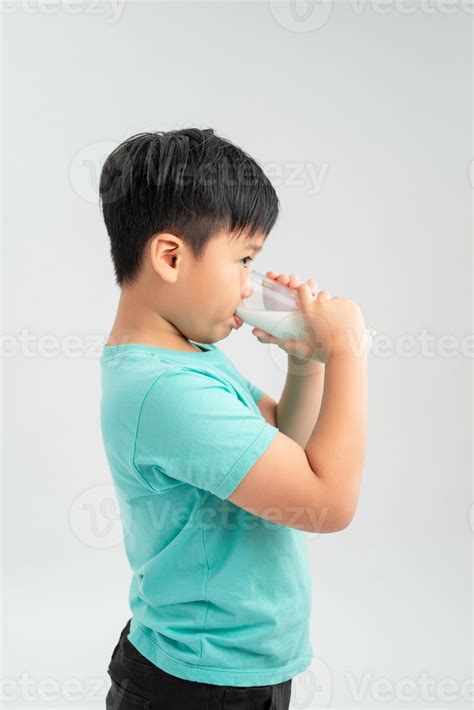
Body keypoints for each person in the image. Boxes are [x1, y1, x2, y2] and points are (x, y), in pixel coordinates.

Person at [99, 128, 369, 710]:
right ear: (170, 257)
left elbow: (286, 452)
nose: (251, 283)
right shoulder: (166, 390)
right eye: (244, 259)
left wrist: (305, 364)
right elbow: (327, 504)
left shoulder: (187, 359)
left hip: (231, 670)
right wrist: (348, 351)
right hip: (197, 686)